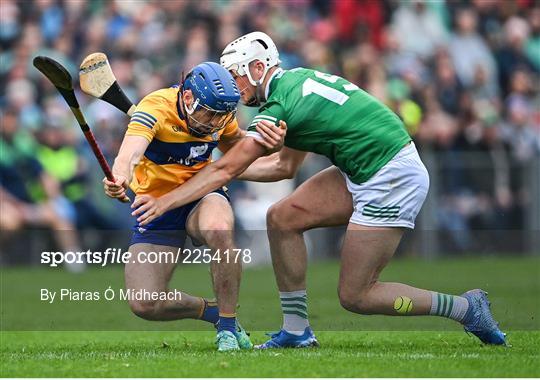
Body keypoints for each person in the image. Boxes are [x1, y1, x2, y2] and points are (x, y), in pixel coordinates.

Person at [131, 32, 506, 348]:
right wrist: (221, 170)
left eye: (235, 76)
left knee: (356, 295)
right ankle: (296, 331)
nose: (231, 88)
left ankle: (465, 308)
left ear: (257, 68)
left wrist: (172, 194)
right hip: (362, 168)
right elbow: (282, 167)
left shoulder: (281, 104)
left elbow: (228, 166)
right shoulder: (293, 85)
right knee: (282, 218)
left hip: (390, 176)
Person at [103, 62, 285, 351]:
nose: (214, 124)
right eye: (209, 115)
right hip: (154, 205)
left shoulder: (221, 115)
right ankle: (212, 311)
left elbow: (239, 150)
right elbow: (131, 152)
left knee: (218, 229)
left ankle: (227, 326)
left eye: (221, 117)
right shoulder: (155, 108)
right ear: (188, 98)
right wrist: (119, 177)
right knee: (145, 303)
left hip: (202, 195)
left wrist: (272, 146)